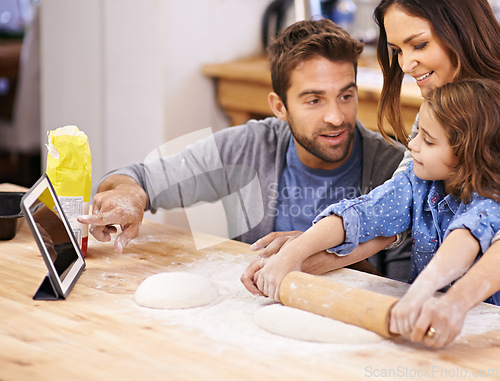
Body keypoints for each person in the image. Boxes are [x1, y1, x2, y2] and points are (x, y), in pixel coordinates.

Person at [243, 0, 500, 343]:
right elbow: (382, 212)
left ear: (460, 31)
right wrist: (299, 254)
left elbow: (476, 232)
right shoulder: (437, 114)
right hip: (435, 324)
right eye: (397, 50)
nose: (406, 65)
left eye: (419, 44)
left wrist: (449, 300)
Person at [77, 19, 409, 278]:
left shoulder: (396, 171)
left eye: (346, 96)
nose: (336, 116)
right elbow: (135, 178)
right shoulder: (247, 147)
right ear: (279, 107)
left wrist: (319, 253)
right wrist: (130, 198)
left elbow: (402, 292)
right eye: (314, 100)